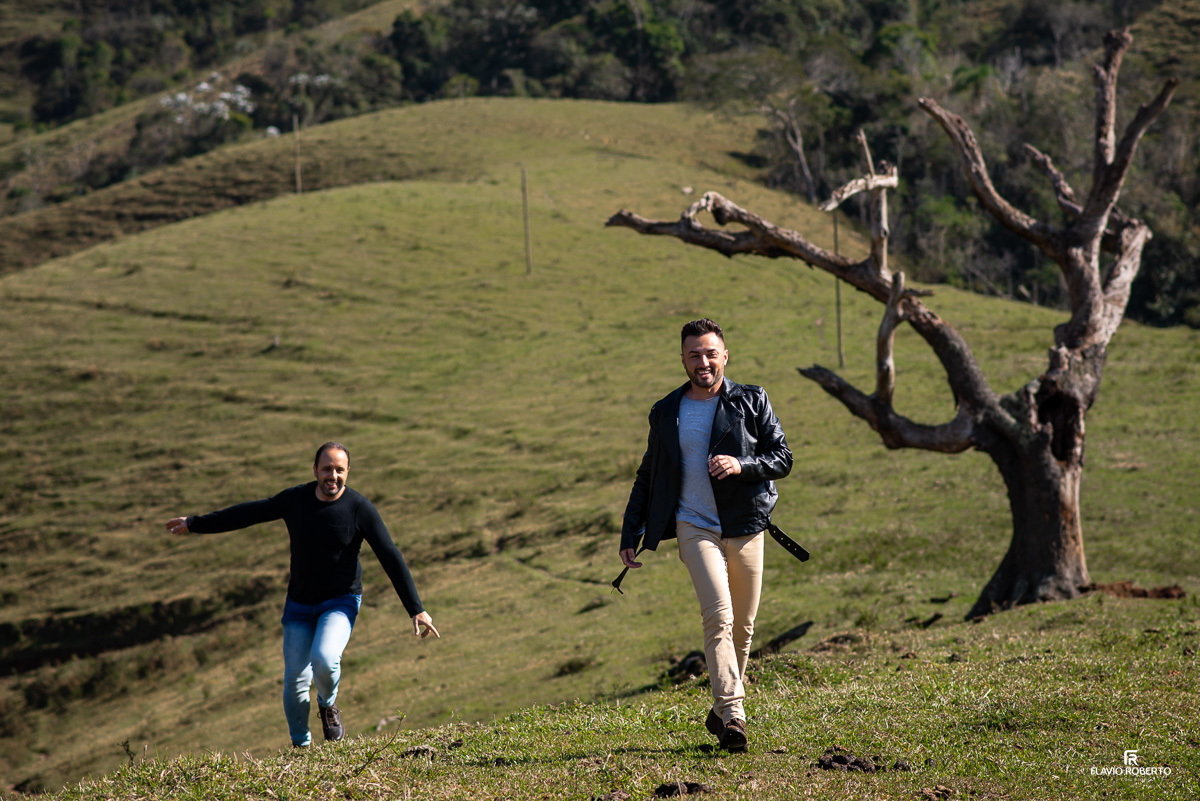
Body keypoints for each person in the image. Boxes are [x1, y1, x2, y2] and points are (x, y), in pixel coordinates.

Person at [165, 441, 438, 748]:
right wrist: (195, 523)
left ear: (348, 471)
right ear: (315, 470)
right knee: (295, 680)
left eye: (339, 470)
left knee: (325, 658)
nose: (332, 476)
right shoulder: (296, 499)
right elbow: (249, 513)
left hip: (340, 601)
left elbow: (390, 555)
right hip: (299, 604)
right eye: (326, 469)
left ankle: (327, 705)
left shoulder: (359, 508)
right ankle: (301, 747)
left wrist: (416, 608)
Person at [619, 319, 792, 751]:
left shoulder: (751, 399)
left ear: (724, 356)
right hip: (693, 526)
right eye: (694, 354)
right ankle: (734, 716)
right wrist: (630, 530)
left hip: (746, 526)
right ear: (682, 359)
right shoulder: (666, 411)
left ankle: (719, 710)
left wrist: (741, 465)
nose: (703, 362)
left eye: (711, 353)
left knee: (743, 629)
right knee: (719, 616)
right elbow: (648, 474)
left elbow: (782, 457)